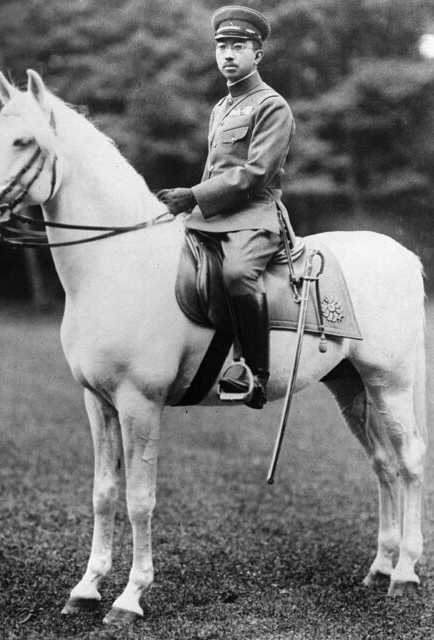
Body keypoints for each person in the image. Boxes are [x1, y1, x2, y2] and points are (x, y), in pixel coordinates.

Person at [157, 5, 295, 409]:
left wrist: (195, 196)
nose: (228, 55)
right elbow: (216, 167)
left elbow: (256, 174)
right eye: (222, 47)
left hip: (255, 217)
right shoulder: (221, 107)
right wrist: (192, 206)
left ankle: (256, 375)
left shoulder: (273, 106)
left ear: (258, 54)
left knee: (237, 274)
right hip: (212, 216)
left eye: (239, 46)